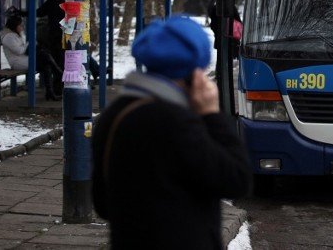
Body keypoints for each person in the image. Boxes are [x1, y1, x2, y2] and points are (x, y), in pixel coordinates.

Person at [92, 16, 252, 249]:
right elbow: (237, 180)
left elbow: (103, 204)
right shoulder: (178, 122)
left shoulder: (115, 114)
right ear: (193, 72)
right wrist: (212, 115)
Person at [0, 15, 63, 101]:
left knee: (46, 65)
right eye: (20, 25)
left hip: (24, 59)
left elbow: (23, 48)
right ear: (14, 26)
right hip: (17, 62)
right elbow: (19, 50)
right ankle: (60, 73)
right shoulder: (8, 37)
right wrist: (29, 44)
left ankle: (50, 93)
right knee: (45, 56)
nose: (22, 28)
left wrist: (29, 45)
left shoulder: (16, 35)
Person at [37, 0, 68, 94]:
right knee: (61, 60)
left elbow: (41, 11)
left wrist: (24, 13)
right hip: (64, 34)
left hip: (57, 35)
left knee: (58, 61)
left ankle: (58, 88)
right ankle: (59, 87)